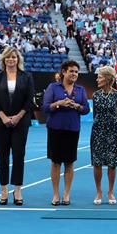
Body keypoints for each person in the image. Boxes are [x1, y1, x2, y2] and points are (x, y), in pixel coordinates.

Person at [0, 47, 35, 206]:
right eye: (8, 57)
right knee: (2, 156)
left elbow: (29, 100)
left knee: (19, 155)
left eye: (13, 57)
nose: (11, 60)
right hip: (0, 122)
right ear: (3, 60)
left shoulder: (27, 77)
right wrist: (3, 117)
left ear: (18, 59)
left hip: (20, 122)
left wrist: (18, 117)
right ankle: (3, 189)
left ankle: (18, 189)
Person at [42, 60, 89, 206]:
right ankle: (56, 194)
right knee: (56, 162)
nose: (74, 74)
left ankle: (66, 194)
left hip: (73, 129)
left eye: (76, 71)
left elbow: (86, 109)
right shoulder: (53, 87)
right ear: (64, 72)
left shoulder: (80, 90)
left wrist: (77, 106)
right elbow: (45, 107)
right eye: (71, 71)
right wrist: (59, 103)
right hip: (55, 129)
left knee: (69, 163)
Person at [90, 66, 117, 205]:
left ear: (108, 78)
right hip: (97, 132)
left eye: (100, 77)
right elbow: (95, 114)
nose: (97, 79)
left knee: (111, 163)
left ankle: (110, 191)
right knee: (97, 163)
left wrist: (113, 126)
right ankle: (99, 191)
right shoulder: (95, 95)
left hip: (113, 132)